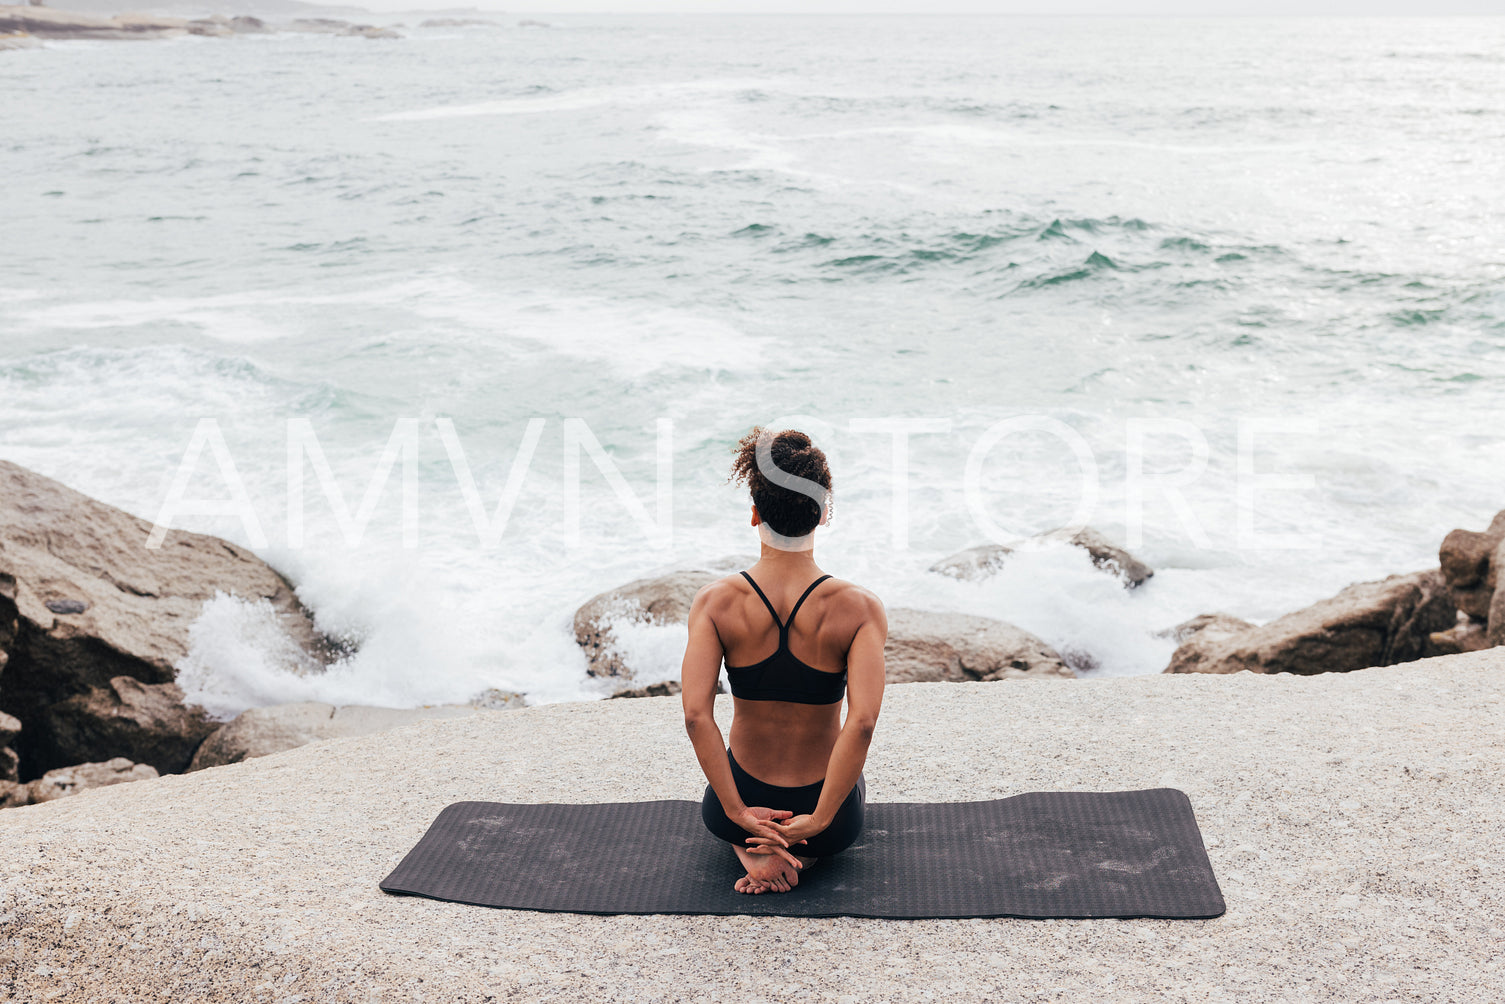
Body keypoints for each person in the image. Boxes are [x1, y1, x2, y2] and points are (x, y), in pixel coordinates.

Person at [681, 427, 887, 894]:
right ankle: (802, 852)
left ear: (754, 514)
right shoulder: (859, 608)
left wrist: (735, 811)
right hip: (826, 818)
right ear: (822, 514)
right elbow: (862, 724)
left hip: (739, 806)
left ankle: (753, 844)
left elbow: (696, 715)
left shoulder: (715, 602)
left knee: (720, 811)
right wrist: (819, 818)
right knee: (851, 795)